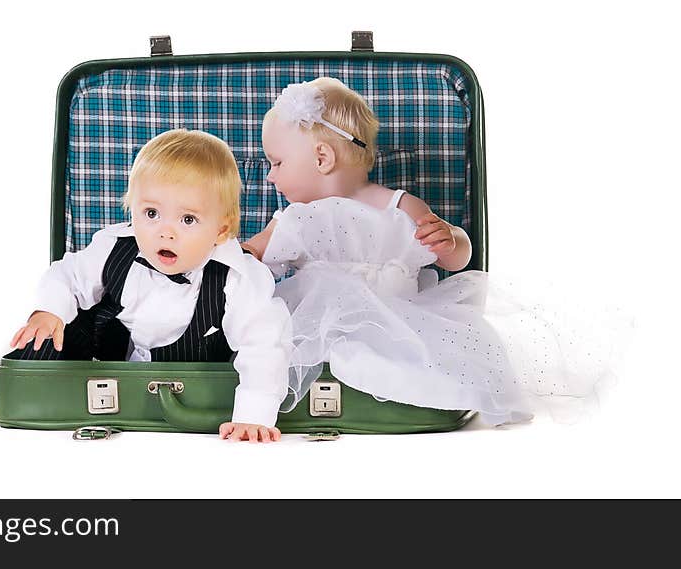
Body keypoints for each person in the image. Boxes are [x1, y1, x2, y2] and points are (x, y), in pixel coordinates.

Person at [242, 78, 615, 425]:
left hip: (399, 322)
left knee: (425, 360)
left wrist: (451, 239)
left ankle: (415, 396)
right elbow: (249, 255)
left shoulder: (398, 206)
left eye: (277, 163)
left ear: (322, 158)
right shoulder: (296, 219)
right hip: (318, 322)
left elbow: (455, 257)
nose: (270, 176)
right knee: (269, 344)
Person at [10, 129, 292, 442]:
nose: (165, 232)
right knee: (51, 332)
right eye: (151, 213)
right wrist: (48, 310)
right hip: (104, 356)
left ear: (221, 229)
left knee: (261, 339)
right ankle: (41, 392)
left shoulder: (237, 277)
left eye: (187, 220)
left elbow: (264, 344)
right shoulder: (115, 248)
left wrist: (253, 416)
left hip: (194, 374)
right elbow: (67, 275)